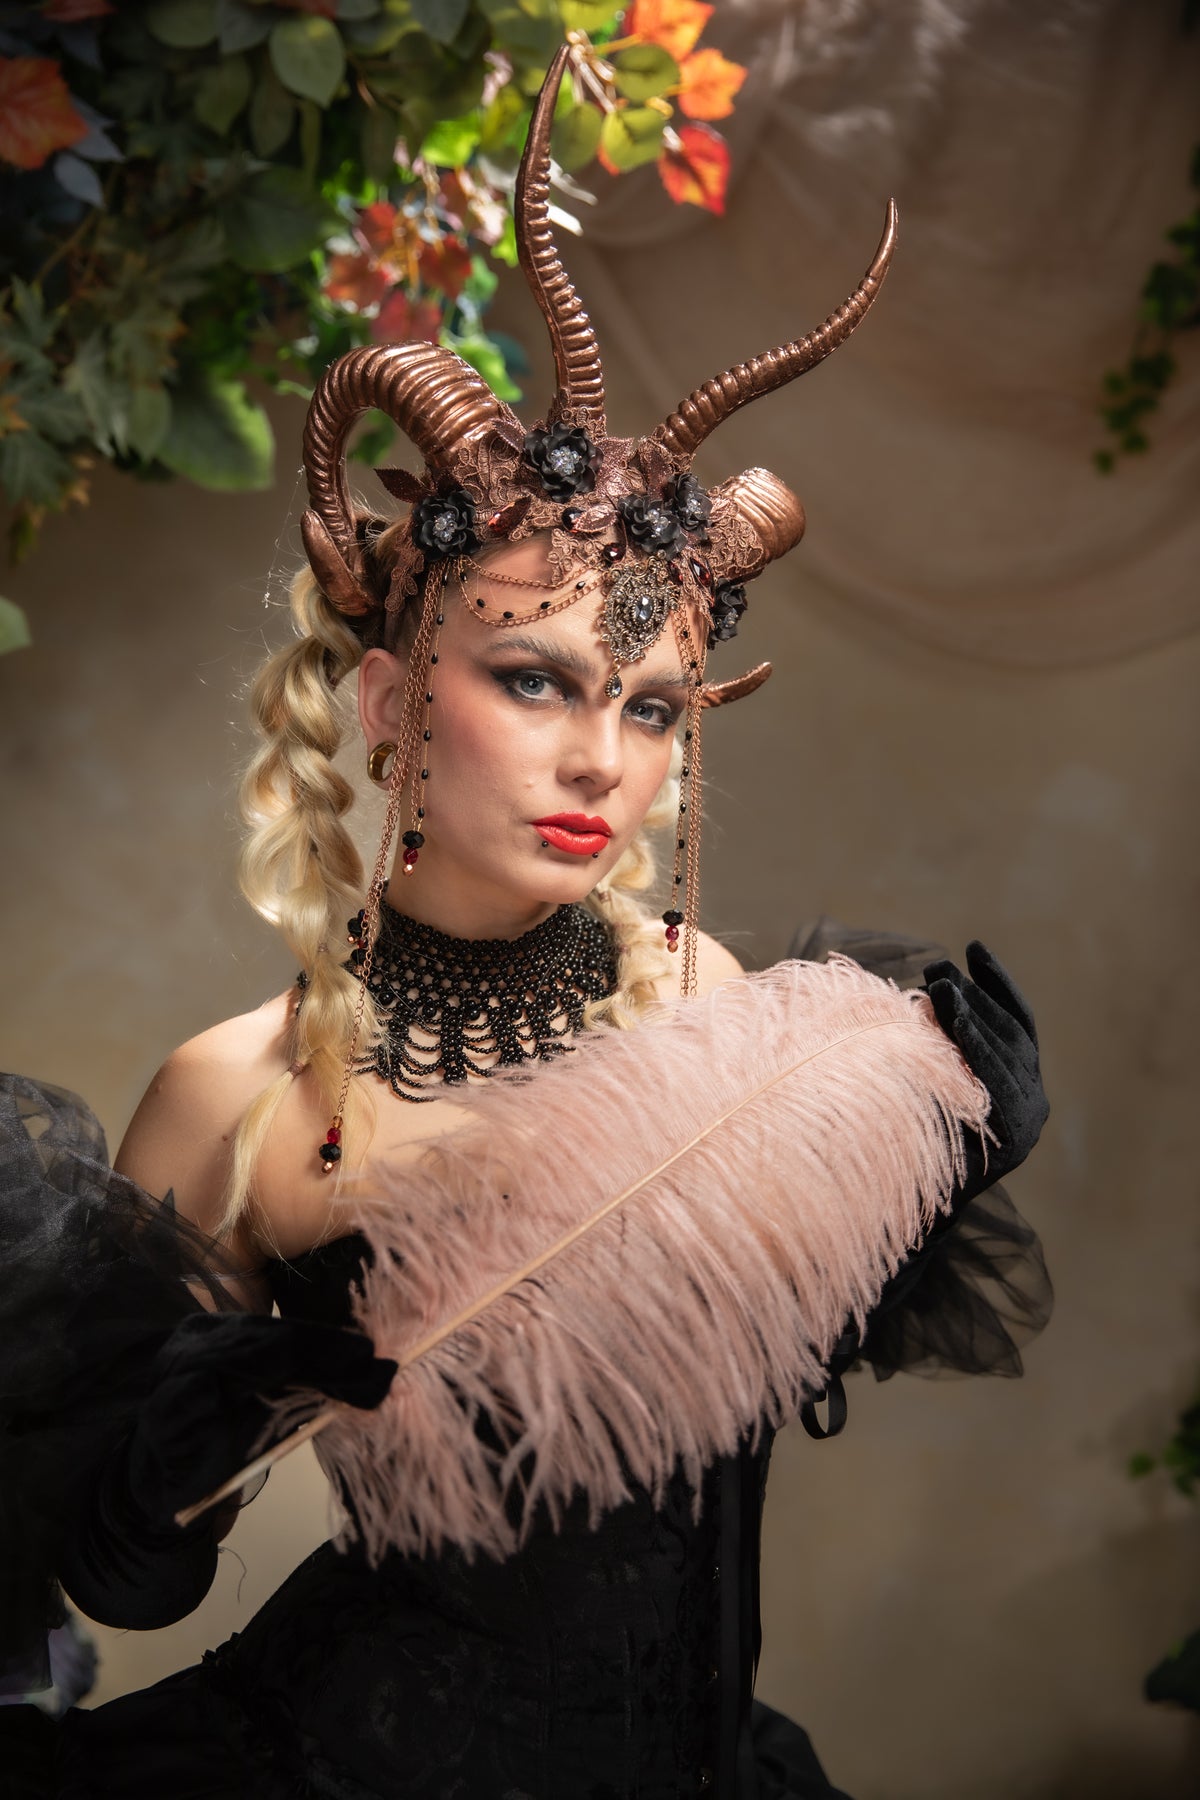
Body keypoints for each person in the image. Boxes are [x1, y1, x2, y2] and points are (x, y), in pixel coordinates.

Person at [0, 47, 1051, 1800]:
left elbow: (731, 1360)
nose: (601, 760)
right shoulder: (238, 1097)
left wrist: (936, 1163)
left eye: (651, 705)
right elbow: (118, 1578)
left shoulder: (694, 996)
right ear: (392, 703)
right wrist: (185, 1438)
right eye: (536, 679)